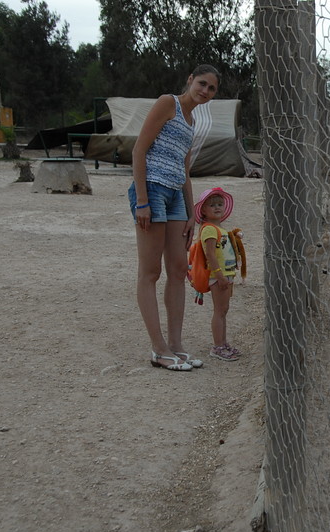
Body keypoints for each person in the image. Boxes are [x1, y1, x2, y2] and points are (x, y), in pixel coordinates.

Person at [128, 64, 220, 371]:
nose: (205, 91)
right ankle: (159, 348)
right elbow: (139, 150)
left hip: (176, 196)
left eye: (212, 89)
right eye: (202, 83)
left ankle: (177, 345)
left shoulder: (191, 121)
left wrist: (193, 211)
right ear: (190, 80)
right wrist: (142, 200)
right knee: (150, 271)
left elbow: (185, 170)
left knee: (179, 269)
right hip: (152, 191)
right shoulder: (168, 103)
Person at [194, 187, 243, 361]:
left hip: (226, 274)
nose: (217, 207)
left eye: (220, 204)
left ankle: (223, 343)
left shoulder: (220, 229)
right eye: (212, 205)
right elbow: (210, 254)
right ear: (203, 210)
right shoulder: (208, 229)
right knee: (219, 310)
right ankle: (218, 346)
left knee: (224, 310)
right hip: (218, 275)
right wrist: (219, 275)